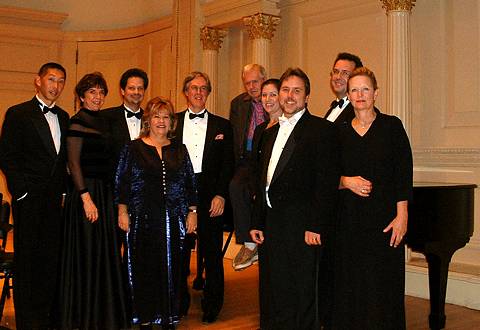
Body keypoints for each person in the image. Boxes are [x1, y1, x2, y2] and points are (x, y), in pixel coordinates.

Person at [250, 67, 340, 329]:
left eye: (297, 91)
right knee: (275, 289)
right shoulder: (267, 133)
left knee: (303, 292)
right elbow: (262, 181)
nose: (290, 96)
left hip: (303, 226)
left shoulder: (321, 130)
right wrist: (257, 221)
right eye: (286, 90)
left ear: (307, 96)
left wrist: (316, 225)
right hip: (272, 224)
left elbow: (326, 183)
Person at [332, 67, 412, 329]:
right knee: (351, 285)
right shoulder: (339, 131)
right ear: (349, 94)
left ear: (375, 93)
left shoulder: (392, 126)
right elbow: (325, 175)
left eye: (365, 88)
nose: (360, 94)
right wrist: (346, 182)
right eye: (354, 89)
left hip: (385, 221)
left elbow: (403, 173)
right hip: (349, 222)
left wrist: (403, 215)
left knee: (383, 285)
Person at [116, 97, 198, 330]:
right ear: (148, 120)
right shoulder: (133, 148)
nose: (161, 121)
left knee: (173, 269)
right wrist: (122, 211)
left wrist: (192, 212)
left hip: (174, 219)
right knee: (143, 268)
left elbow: (190, 182)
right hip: (142, 218)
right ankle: (144, 318)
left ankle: (168, 317)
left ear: (172, 121)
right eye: (156, 116)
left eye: (166, 117)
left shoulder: (179, 149)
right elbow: (122, 183)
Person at [56, 72, 128, 329]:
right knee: (86, 253)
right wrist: (86, 198)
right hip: (86, 194)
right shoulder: (77, 122)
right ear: (81, 96)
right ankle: (83, 316)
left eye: (101, 92)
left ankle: (102, 314)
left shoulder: (106, 121)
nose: (97, 97)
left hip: (105, 194)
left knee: (104, 254)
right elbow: (73, 163)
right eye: (92, 93)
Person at [0, 62, 69, 329]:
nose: (56, 86)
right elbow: (7, 157)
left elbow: (62, 160)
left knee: (51, 260)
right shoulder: (18, 113)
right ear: (37, 81)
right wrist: (22, 193)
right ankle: (28, 322)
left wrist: (63, 192)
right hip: (29, 201)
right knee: (28, 262)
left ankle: (48, 318)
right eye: (52, 79)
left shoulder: (64, 116)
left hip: (55, 201)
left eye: (61, 81)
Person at [175, 72, 234, 323]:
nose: (199, 92)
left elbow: (228, 164)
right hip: (180, 192)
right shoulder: (173, 122)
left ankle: (213, 306)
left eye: (203, 88)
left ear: (208, 93)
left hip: (211, 193)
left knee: (212, 253)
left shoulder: (223, 125)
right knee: (178, 251)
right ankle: (178, 303)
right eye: (193, 88)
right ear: (186, 92)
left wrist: (221, 194)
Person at [229, 63, 267, 271]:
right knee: (236, 186)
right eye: (247, 82)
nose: (252, 86)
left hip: (268, 157)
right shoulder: (238, 104)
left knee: (259, 191)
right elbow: (235, 137)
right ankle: (248, 243)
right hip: (247, 158)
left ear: (264, 80)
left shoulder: (275, 97)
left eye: (255, 81)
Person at [103, 68, 149, 170]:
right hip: (114, 181)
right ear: (122, 91)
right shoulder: (106, 117)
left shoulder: (150, 119)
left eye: (140, 88)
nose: (136, 92)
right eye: (131, 88)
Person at [324, 52, 363, 124]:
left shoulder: (360, 111)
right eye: (336, 71)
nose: (338, 77)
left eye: (345, 73)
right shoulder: (332, 109)